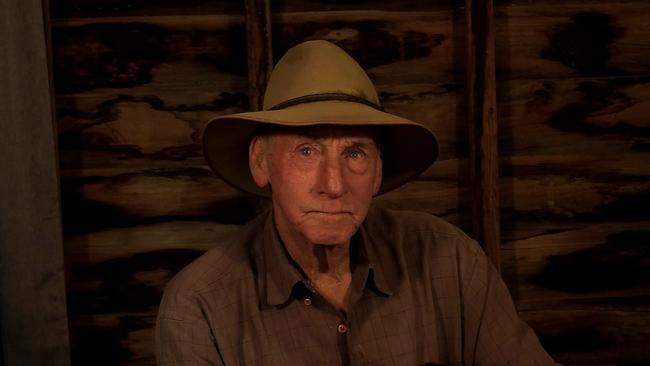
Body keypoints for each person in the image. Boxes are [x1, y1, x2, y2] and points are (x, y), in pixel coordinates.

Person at [155, 40, 556, 365]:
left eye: (355, 154)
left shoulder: (448, 259)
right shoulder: (200, 307)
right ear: (262, 162)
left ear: (378, 172)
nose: (333, 185)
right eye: (307, 151)